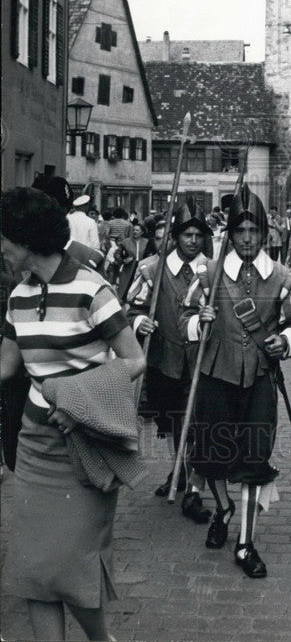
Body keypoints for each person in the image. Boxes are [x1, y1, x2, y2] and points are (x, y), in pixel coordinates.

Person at [0, 187, 145, 642]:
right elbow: (6, 366)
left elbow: (134, 359)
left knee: (71, 567)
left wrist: (75, 398)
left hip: (84, 446)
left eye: (3, 237)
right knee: (34, 571)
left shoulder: (90, 288)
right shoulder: (19, 295)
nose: (0, 247)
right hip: (34, 447)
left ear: (25, 238)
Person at [182, 185, 291, 577]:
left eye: (255, 230)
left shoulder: (283, 278)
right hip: (216, 376)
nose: (248, 238)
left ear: (266, 232)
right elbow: (183, 317)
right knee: (213, 454)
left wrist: (284, 340)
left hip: (259, 381)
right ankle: (223, 507)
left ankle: (245, 543)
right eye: (241, 231)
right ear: (230, 235)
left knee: (254, 460)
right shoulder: (208, 275)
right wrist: (196, 324)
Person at [126, 198, 213, 523]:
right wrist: (139, 322)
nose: (193, 241)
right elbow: (130, 308)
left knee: (199, 422)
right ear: (176, 236)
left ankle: (194, 487)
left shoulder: (214, 273)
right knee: (176, 421)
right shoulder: (151, 269)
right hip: (167, 359)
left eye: (198, 235)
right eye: (187, 234)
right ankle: (178, 470)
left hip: (204, 361)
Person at [115, 221, 149, 302]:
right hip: (129, 267)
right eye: (134, 230)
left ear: (142, 232)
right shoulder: (126, 242)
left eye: (137, 230)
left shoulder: (147, 242)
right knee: (126, 286)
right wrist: (123, 260)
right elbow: (117, 253)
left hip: (142, 266)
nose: (135, 232)